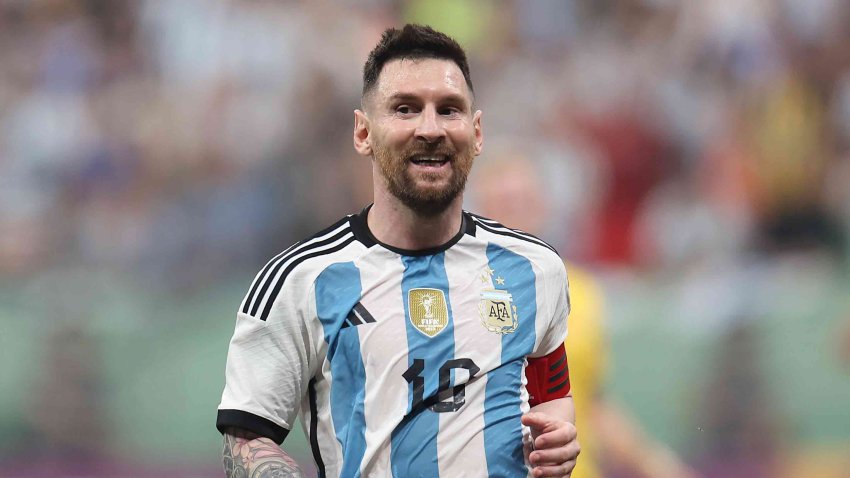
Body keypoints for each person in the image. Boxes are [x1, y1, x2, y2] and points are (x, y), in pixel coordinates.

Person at [216, 24, 580, 478]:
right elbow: (247, 438)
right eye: (405, 109)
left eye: (449, 110)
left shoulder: (535, 268)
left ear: (477, 131)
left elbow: (554, 398)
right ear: (363, 132)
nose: (430, 129)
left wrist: (559, 443)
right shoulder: (299, 281)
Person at [470, 149, 698, 478]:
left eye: (523, 201)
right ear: (482, 212)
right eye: (503, 203)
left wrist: (659, 466)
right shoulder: (463, 293)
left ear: (543, 206)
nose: (514, 215)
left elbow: (592, 402)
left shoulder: (579, 291)